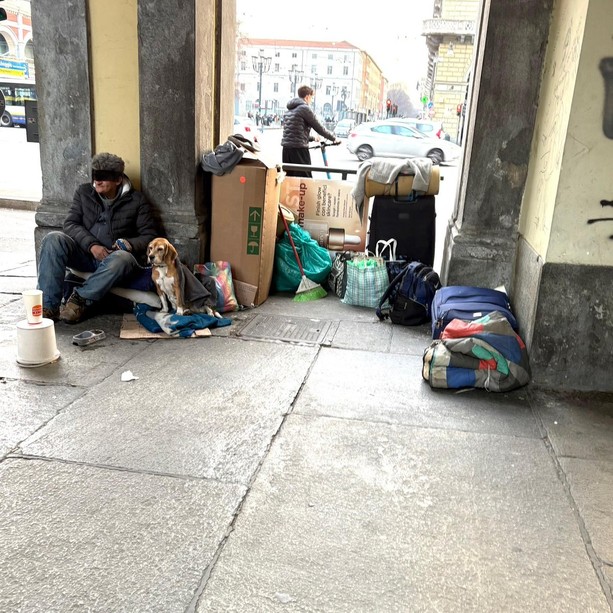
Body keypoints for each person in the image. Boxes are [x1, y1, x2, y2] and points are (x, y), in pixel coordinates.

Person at [37, 152, 158, 324]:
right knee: (53, 239)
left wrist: (129, 244)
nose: (97, 181)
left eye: (103, 177)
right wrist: (91, 245)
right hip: (85, 254)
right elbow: (71, 224)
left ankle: (79, 300)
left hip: (114, 260)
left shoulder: (137, 201)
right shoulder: (83, 192)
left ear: (118, 180)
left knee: (122, 258)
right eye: (95, 176)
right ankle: (48, 308)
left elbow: (149, 236)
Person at [281, 85, 341, 177]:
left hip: (286, 150)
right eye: (311, 98)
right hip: (299, 150)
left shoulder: (290, 109)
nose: (311, 100)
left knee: (290, 181)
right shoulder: (304, 108)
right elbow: (319, 127)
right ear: (307, 96)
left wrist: (313, 138)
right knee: (305, 180)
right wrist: (333, 138)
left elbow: (295, 133)